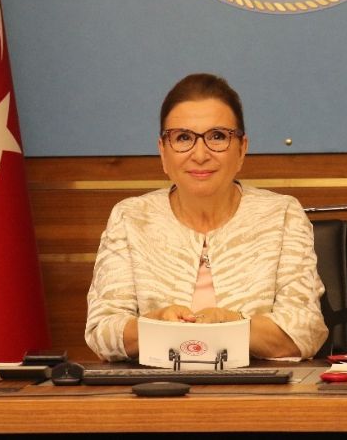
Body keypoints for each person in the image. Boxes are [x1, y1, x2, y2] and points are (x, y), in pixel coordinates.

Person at [85, 73, 328, 361]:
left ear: (242, 149)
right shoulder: (131, 218)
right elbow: (102, 332)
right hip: (155, 386)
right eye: (183, 138)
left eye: (217, 137)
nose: (200, 154)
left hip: (258, 387)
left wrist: (232, 325)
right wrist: (156, 323)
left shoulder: (282, 215)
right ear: (163, 151)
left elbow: (306, 330)